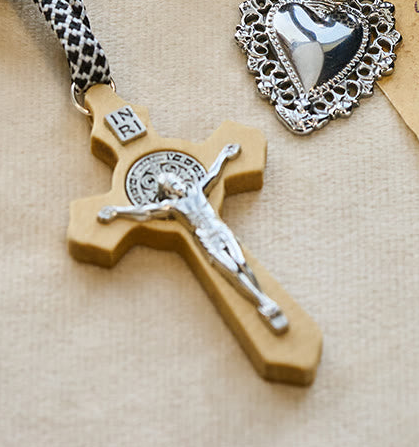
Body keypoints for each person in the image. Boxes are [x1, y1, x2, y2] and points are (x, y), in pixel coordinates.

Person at [99, 143, 289, 333]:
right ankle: (262, 301)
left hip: (221, 230)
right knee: (231, 270)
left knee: (242, 264)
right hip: (207, 238)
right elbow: (145, 211)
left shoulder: (198, 191)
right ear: (168, 191)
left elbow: (213, 175)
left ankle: (264, 299)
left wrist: (224, 155)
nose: (178, 184)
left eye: (177, 181)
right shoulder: (172, 207)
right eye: (172, 184)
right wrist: (117, 212)